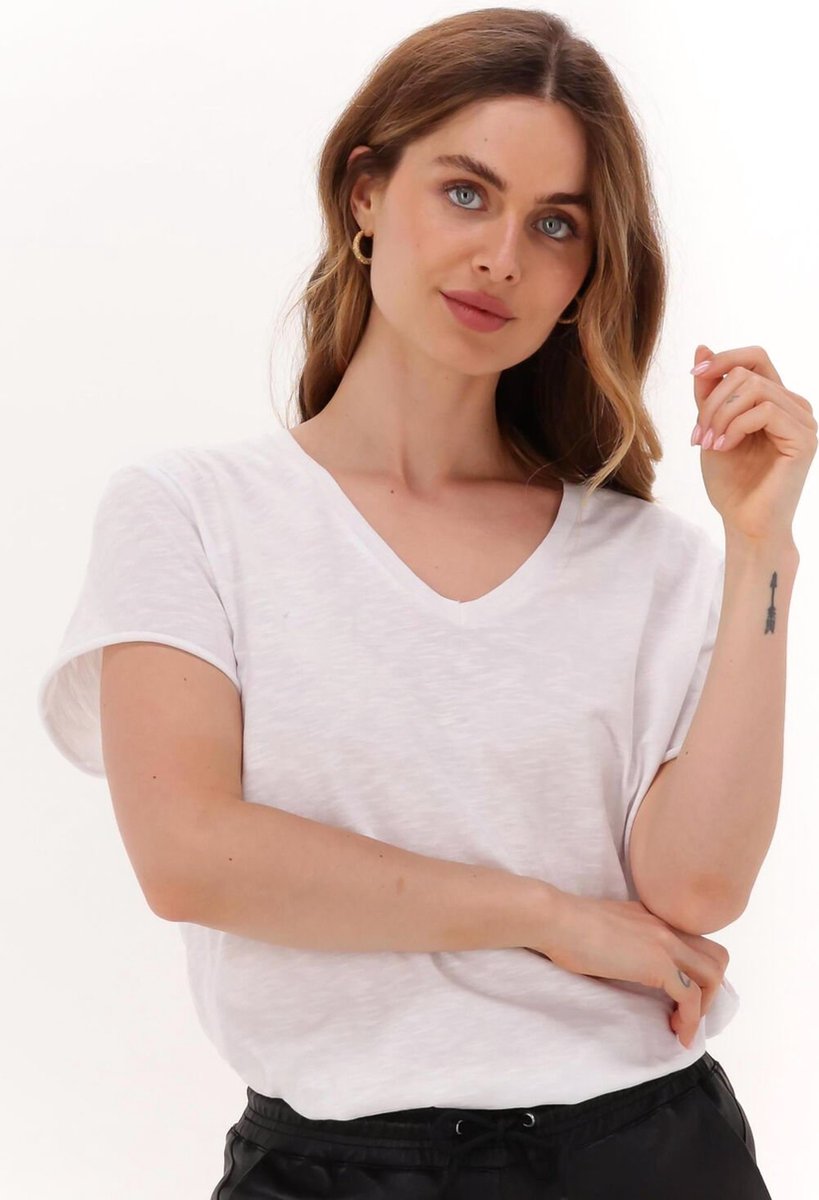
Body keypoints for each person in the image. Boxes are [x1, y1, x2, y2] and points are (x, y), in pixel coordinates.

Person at [36, 8, 775, 1198]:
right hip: (336, 1167)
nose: (502, 257)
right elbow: (191, 854)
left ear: (588, 275)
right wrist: (543, 916)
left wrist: (761, 547)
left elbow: (695, 893)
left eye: (555, 225)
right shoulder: (192, 514)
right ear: (366, 191)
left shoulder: (652, 560)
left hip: (645, 1154)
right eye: (467, 193)